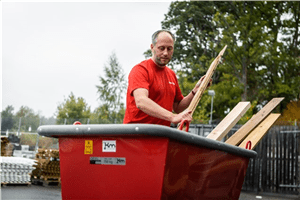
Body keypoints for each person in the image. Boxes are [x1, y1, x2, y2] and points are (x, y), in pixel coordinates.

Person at [123, 30, 209, 127]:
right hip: (137, 135)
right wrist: (172, 117)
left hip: (161, 135)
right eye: (161, 48)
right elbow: (141, 101)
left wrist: (195, 91)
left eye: (169, 49)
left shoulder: (171, 74)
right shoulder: (140, 70)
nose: (165, 53)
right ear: (152, 47)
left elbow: (177, 107)